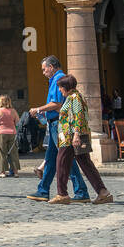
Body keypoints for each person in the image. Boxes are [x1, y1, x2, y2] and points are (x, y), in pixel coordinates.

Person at [28, 55, 89, 203]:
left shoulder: (58, 79)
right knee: (50, 159)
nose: (43, 72)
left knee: (67, 158)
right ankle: (43, 190)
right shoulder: (55, 80)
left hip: (58, 125)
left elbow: (56, 103)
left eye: (44, 69)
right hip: (54, 123)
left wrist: (38, 109)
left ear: (51, 67)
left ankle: (81, 190)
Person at [47, 74, 113, 205]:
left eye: (60, 88)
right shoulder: (74, 97)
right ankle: (103, 192)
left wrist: (76, 134)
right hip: (73, 136)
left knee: (61, 162)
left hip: (71, 137)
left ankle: (62, 194)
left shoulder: (74, 98)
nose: (59, 90)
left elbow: (78, 116)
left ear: (66, 87)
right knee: (86, 164)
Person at [0, 95, 20, 177]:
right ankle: (16, 172)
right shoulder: (13, 111)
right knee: (13, 153)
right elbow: (17, 122)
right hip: (12, 133)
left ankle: (3, 172)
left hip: (1, 133)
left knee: (2, 153)